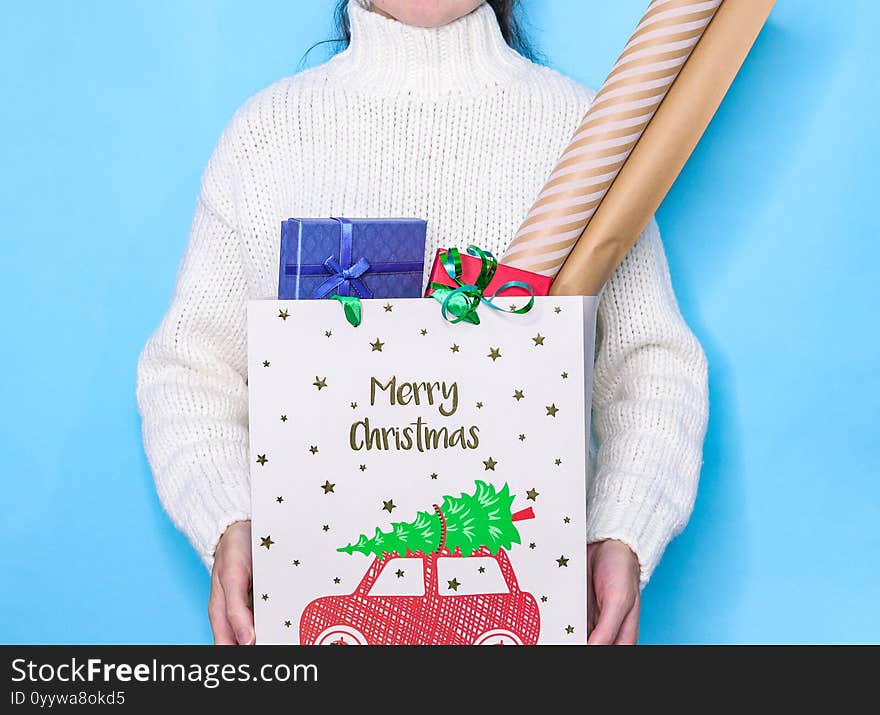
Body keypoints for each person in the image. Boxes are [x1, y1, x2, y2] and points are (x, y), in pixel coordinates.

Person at [136, 0, 709, 646]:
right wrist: (227, 519)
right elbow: (188, 368)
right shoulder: (265, 138)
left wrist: (622, 529)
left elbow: (652, 364)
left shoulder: (586, 137)